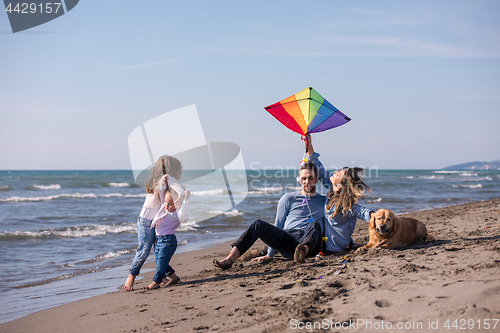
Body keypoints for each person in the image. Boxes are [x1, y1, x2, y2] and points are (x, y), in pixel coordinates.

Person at [213, 161, 326, 269]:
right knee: (258, 224)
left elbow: (334, 223)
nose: (307, 181)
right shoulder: (288, 198)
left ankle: (302, 252)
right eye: (304, 178)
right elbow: (278, 224)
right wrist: (270, 255)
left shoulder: (324, 201)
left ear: (316, 179)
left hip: (310, 240)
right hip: (289, 239)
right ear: (299, 180)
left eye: (310, 178)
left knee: (315, 224)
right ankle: (229, 259)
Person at [305, 135, 375, 252]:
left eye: (337, 174)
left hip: (333, 247)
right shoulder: (333, 189)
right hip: (325, 241)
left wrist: (375, 215)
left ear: (339, 186)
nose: (335, 172)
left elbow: (361, 211)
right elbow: (318, 167)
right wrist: (309, 144)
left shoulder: (346, 205)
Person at [124, 155, 183, 291]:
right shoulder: (161, 181)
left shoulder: (165, 183)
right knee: (144, 250)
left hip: (155, 222)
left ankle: (170, 276)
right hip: (145, 223)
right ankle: (131, 276)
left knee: (158, 251)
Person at [147, 175, 190, 290]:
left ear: (177, 205)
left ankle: (156, 281)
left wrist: (186, 199)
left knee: (161, 264)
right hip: (158, 241)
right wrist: (166, 180)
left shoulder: (176, 215)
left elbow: (184, 210)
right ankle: (173, 276)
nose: (166, 205)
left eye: (170, 204)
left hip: (168, 241)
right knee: (159, 261)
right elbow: (162, 194)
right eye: (166, 202)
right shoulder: (163, 207)